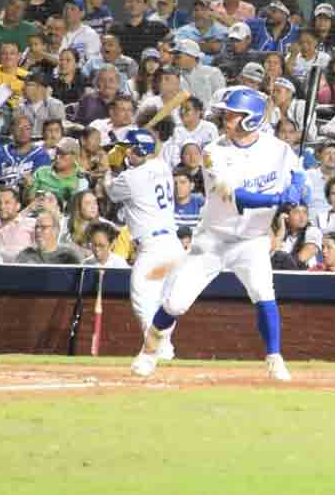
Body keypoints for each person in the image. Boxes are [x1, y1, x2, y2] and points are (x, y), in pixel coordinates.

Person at [135, 88, 306, 380]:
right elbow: (235, 196)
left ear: (251, 119)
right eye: (226, 114)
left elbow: (297, 174)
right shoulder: (213, 153)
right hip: (213, 239)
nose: (226, 119)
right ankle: (148, 352)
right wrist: (278, 199)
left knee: (263, 293)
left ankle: (275, 358)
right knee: (176, 303)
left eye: (233, 115)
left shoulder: (278, 149)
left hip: (252, 240)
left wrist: (296, 190)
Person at [101, 128, 186, 360]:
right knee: (161, 303)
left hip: (153, 249)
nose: (126, 153)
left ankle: (155, 350)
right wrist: (126, 157)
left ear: (140, 150)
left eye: (130, 149)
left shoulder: (131, 178)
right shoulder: (162, 166)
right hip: (173, 247)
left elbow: (110, 191)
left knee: (143, 301)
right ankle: (165, 349)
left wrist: (108, 168)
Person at [16, 208, 82, 264]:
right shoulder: (25, 254)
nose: (38, 230)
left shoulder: (69, 255)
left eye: (43, 227)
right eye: (36, 227)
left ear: (56, 230)